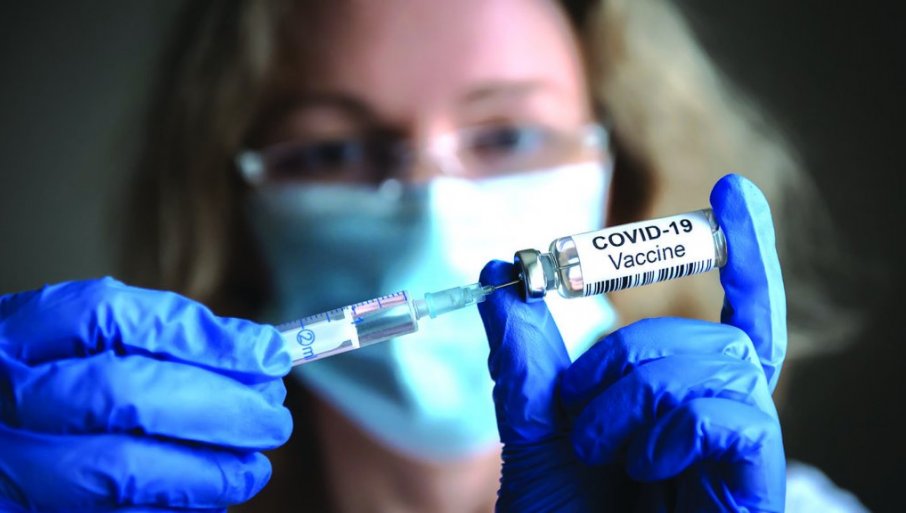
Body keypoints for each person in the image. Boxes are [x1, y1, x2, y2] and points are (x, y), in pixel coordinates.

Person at [0, 0, 864, 512]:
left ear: (624, 179)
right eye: (335, 149)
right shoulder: (97, 493)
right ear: (231, 206)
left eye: (508, 134)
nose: (429, 202)